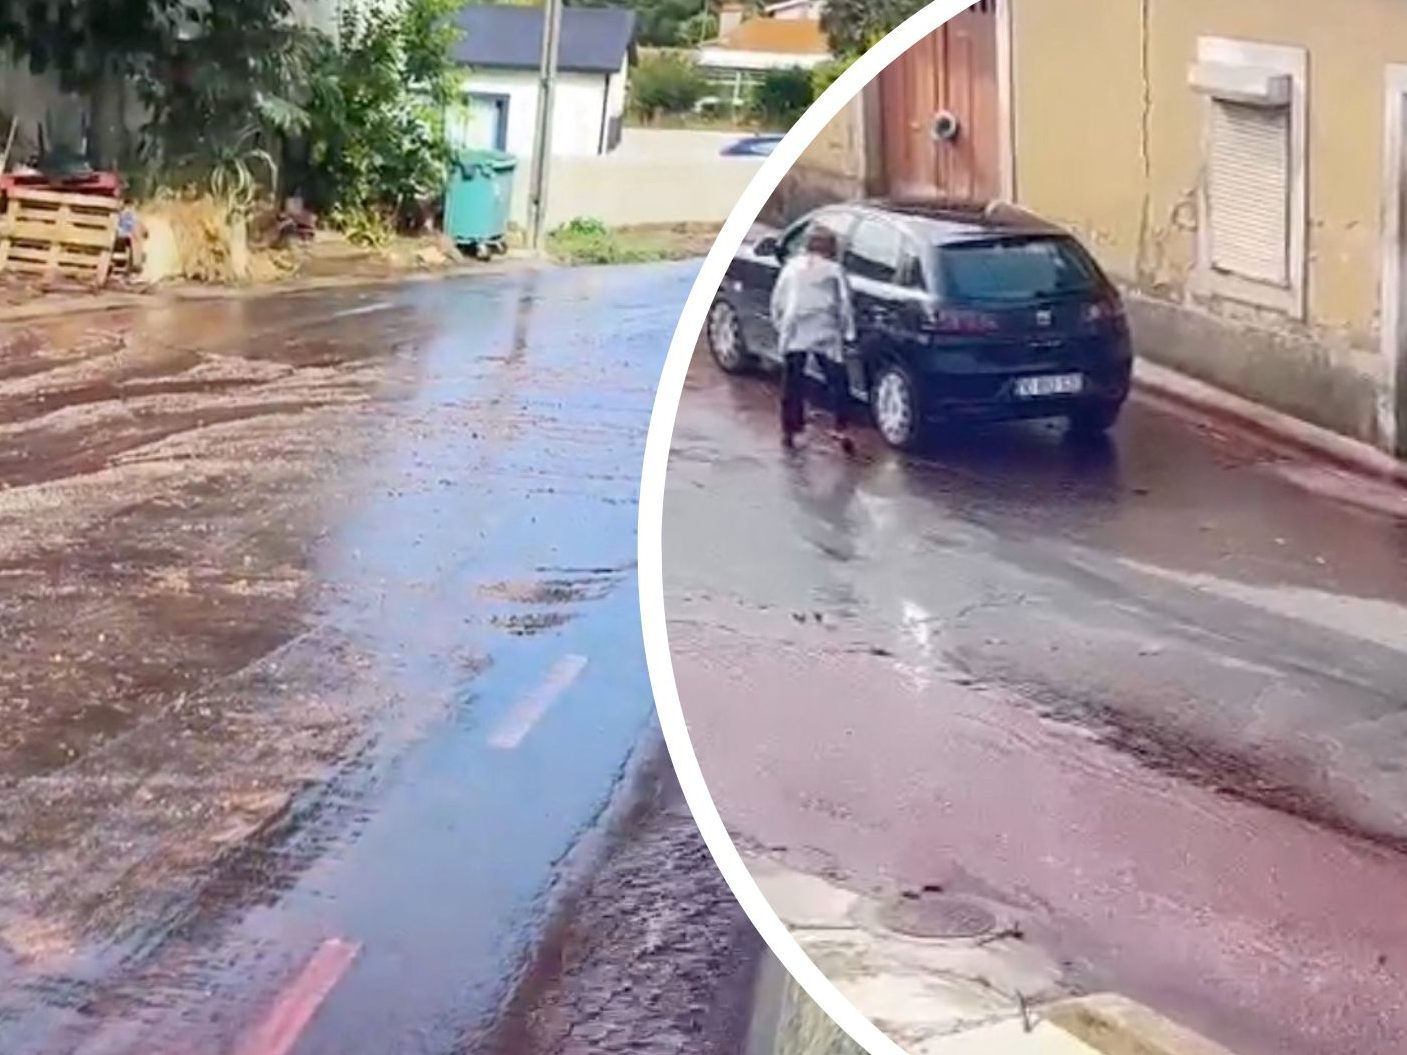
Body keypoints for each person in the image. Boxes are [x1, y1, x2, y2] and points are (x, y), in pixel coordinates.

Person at [769, 223, 857, 452]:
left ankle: (790, 428)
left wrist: (780, 325)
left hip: (795, 325)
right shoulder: (835, 270)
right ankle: (841, 426)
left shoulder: (792, 267)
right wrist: (848, 332)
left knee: (793, 380)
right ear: (830, 247)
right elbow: (845, 303)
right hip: (825, 326)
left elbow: (778, 298)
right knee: (836, 378)